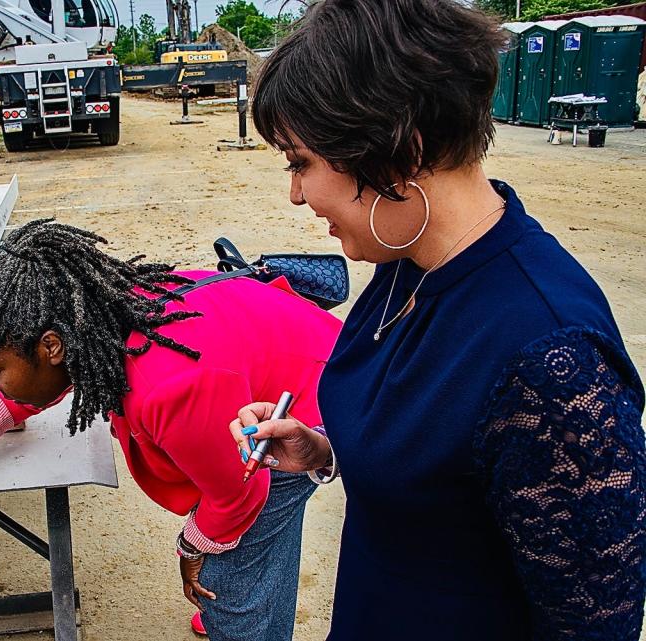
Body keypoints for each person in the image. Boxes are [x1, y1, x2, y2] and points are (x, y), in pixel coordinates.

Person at [228, 1, 646, 640]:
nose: (296, 194)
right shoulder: (408, 259)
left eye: (300, 162)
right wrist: (328, 451)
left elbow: (594, 625)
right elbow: (456, 474)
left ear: (397, 148)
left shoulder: (550, 355)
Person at [0, 220, 344, 641]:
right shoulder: (91, 318)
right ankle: (256, 600)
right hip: (288, 361)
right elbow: (33, 385)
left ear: (51, 346)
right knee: (259, 553)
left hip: (307, 407)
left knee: (227, 580)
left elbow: (241, 491)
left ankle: (245, 616)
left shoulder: (166, 388)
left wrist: (192, 550)